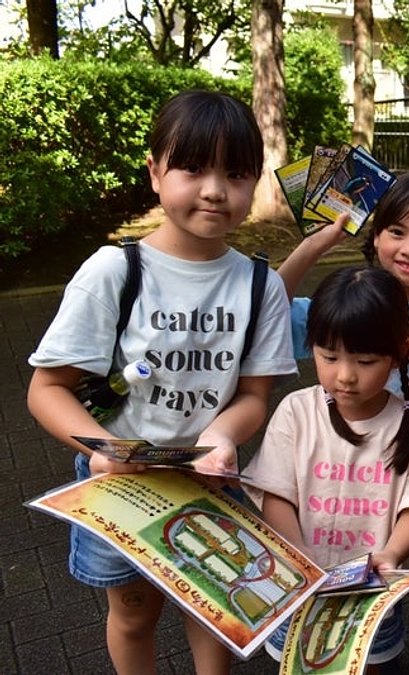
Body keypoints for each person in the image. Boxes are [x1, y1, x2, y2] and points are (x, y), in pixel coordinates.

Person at [25, 90, 298, 674]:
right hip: (118, 482)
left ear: (255, 184)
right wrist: (105, 451)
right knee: (133, 614)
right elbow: (46, 390)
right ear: (154, 172)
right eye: (192, 167)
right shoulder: (114, 271)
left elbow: (253, 397)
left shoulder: (260, 285)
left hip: (209, 481)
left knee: (213, 613)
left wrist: (223, 436)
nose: (214, 189)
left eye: (236, 173)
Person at [277, 170, 409, 674]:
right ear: (375, 234)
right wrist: (317, 246)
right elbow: (269, 306)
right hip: (363, 490)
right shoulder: (347, 303)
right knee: (381, 571)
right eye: (396, 231)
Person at [243, 265, 409, 671]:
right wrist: (300, 557)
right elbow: (276, 495)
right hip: (298, 591)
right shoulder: (297, 412)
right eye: (329, 357)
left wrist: (390, 553)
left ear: (397, 355)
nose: (346, 376)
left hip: (370, 600)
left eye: (366, 360)